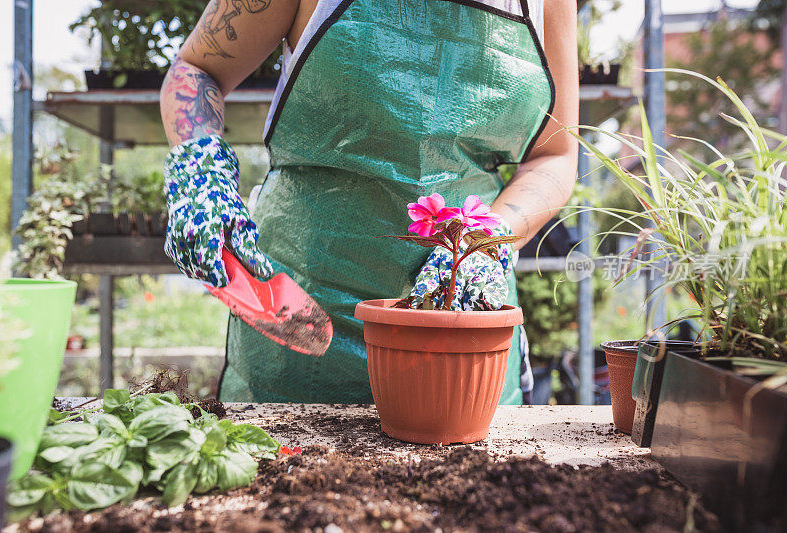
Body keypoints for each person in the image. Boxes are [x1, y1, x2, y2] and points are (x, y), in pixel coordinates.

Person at [160, 0, 578, 404]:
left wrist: (486, 239)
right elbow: (198, 68)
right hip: (299, 314)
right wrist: (200, 171)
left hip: (461, 329)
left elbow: (555, 155)